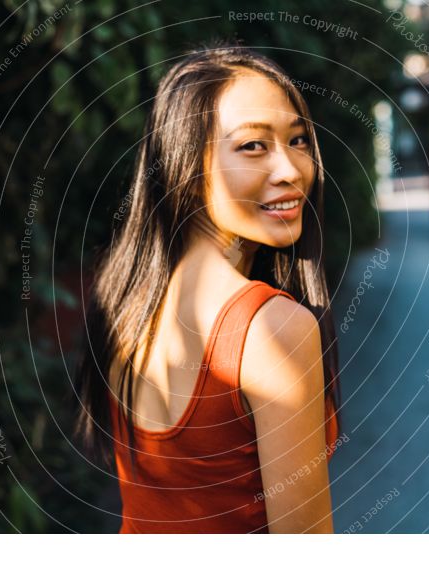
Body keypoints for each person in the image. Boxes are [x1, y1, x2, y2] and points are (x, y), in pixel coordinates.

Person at [75, 42, 342, 534]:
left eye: (299, 140)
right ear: (187, 167)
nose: (291, 170)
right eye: (253, 146)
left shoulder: (129, 302)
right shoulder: (271, 330)